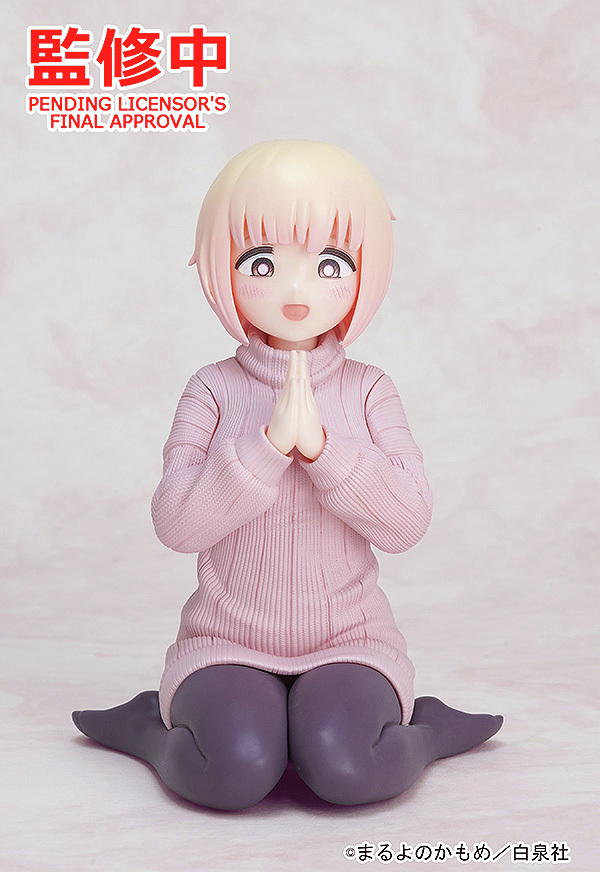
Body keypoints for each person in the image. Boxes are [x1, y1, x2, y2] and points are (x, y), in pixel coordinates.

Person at [72, 140, 503, 810]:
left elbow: (407, 523)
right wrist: (267, 448)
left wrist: (326, 451)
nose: (295, 290)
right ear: (221, 269)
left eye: (330, 263)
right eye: (261, 263)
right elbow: (176, 525)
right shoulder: (212, 389)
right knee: (233, 770)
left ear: (365, 274)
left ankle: (429, 731)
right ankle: (146, 729)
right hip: (226, 643)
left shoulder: (369, 390)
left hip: (349, 643)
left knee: (347, 768)